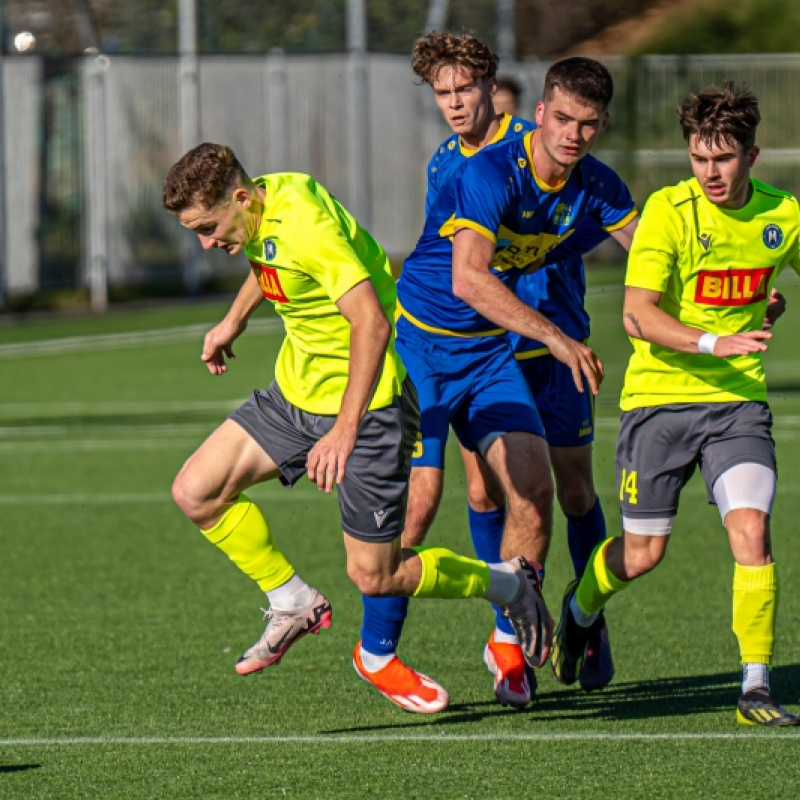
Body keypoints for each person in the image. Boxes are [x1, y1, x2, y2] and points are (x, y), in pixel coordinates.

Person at [162, 143, 551, 684]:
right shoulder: (267, 200)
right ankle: (292, 600)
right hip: (295, 395)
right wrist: (234, 320)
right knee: (195, 491)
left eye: (208, 226)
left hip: (368, 410)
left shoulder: (305, 227)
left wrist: (344, 433)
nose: (206, 242)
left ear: (242, 198)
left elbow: (372, 322)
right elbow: (269, 256)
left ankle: (511, 585)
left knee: (377, 575)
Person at [355, 43, 638, 712]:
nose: (572, 134)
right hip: (437, 345)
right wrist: (549, 333)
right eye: (441, 93)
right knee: (430, 502)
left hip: (513, 345)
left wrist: (730, 302)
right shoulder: (471, 169)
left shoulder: (577, 170)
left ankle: (529, 633)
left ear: (493, 90)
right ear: (544, 112)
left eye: (586, 123)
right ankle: (378, 651)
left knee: (547, 492)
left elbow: (655, 251)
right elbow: (464, 273)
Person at [550, 82, 800, 727]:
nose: (710, 172)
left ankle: (754, 688)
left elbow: (770, 284)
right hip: (659, 402)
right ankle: (579, 611)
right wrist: (716, 339)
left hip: (737, 403)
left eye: (723, 158)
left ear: (752, 155)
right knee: (642, 555)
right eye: (698, 158)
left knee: (752, 532)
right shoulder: (668, 211)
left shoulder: (783, 216)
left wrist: (770, 303)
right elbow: (636, 316)